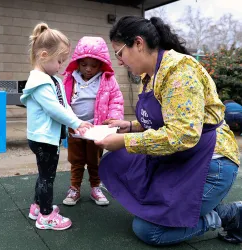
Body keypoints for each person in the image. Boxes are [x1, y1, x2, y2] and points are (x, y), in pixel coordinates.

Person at [95, 16, 242, 245]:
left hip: (211, 163)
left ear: (139, 43)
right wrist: (131, 126)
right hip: (181, 157)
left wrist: (125, 141)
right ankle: (187, 209)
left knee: (150, 230)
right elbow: (164, 118)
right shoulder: (150, 75)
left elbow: (182, 134)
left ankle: (228, 214)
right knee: (119, 164)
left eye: (119, 52)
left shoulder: (179, 72)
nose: (120, 61)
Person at [20, 23, 92, 230]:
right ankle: (45, 216)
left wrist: (78, 122)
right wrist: (75, 123)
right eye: (59, 61)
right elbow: (53, 109)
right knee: (47, 177)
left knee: (44, 175)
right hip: (43, 139)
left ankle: (37, 207)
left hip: (47, 137)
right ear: (43, 55)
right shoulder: (39, 82)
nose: (61, 65)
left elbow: (64, 106)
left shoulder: (51, 80)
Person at [62, 36, 124, 206]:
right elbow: (62, 101)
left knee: (95, 160)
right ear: (77, 63)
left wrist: (115, 119)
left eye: (94, 65)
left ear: (101, 64)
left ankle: (95, 187)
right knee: (76, 160)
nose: (88, 69)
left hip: (97, 128)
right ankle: (74, 187)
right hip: (75, 128)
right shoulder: (70, 79)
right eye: (84, 64)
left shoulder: (107, 79)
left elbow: (116, 100)